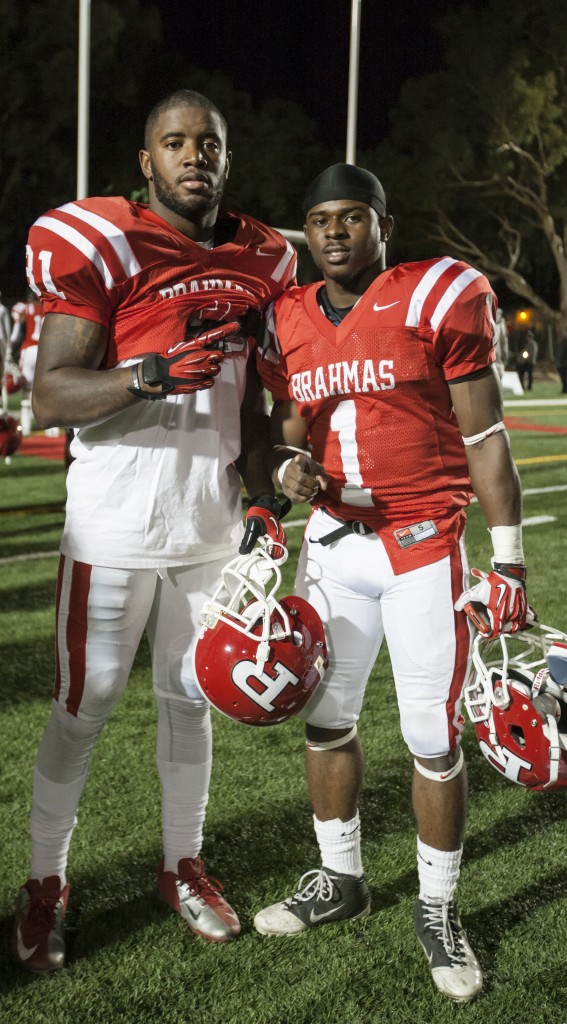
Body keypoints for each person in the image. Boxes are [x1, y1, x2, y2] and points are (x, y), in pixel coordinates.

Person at [12, 89, 296, 974]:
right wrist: (145, 375)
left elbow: (248, 403)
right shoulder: (108, 243)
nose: (193, 157)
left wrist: (262, 493)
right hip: (111, 526)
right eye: (174, 143)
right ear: (147, 161)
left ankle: (182, 865)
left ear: (226, 157)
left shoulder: (262, 261)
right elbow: (51, 393)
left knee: (189, 704)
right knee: (83, 705)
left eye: (207, 144)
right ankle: (44, 883)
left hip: (210, 528)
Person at [252, 164, 529, 1004]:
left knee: (431, 737)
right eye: (319, 220)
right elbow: (284, 436)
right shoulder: (289, 317)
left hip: (419, 543)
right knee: (326, 720)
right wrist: (285, 473)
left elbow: (483, 437)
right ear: (308, 231)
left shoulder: (435, 295)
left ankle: (439, 905)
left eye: (351, 217)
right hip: (333, 544)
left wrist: (509, 560)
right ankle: (341, 878)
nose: (334, 232)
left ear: (382, 224)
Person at [9, 289, 45, 435]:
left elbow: (17, 332)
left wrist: (11, 351)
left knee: (26, 392)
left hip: (29, 349)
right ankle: (52, 429)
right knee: (45, 390)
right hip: (44, 351)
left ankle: (26, 428)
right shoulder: (45, 307)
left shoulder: (22, 307)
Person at [492, 306, 509, 378]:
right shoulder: (500, 325)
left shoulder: (487, 321)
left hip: (494, 354)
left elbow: (504, 341)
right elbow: (504, 341)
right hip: (496, 354)